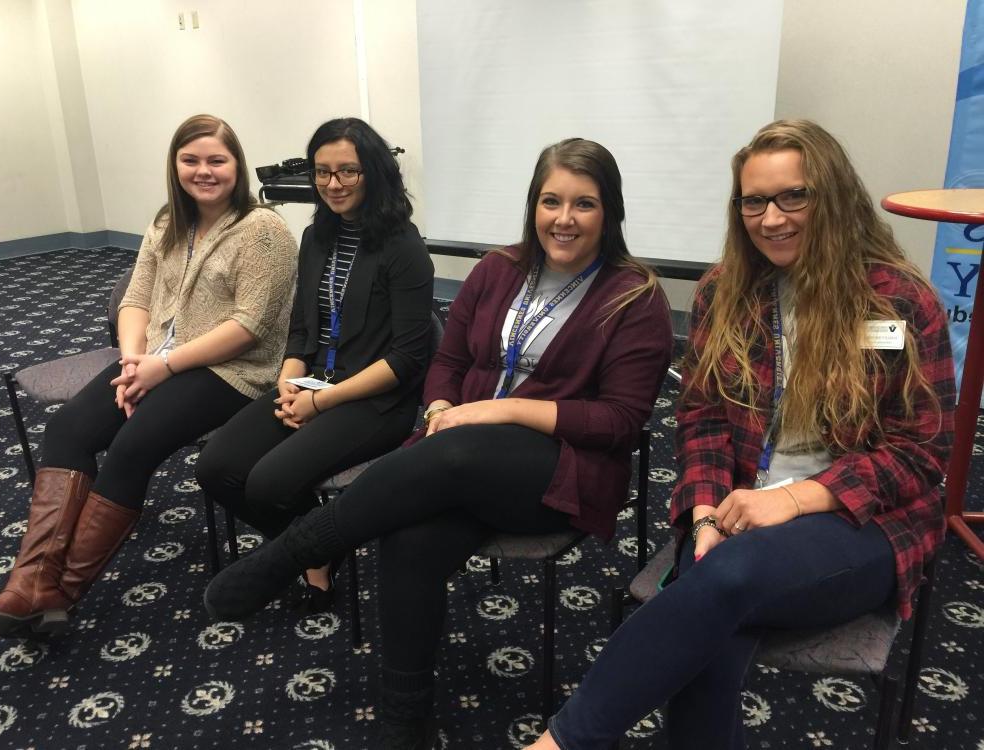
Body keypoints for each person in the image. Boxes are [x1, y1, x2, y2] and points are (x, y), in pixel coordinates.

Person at [202, 137, 673, 748]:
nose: (564, 218)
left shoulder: (635, 297)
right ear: (532, 204)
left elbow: (618, 421)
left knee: (453, 453)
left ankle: (295, 550)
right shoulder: (499, 269)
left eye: (583, 204)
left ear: (609, 212)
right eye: (550, 201)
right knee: (409, 534)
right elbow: (446, 359)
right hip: (453, 453)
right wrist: (445, 405)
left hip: (558, 468)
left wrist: (497, 411)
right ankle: (406, 720)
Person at [527, 119, 956, 750]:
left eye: (793, 197)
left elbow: (921, 453)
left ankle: (562, 741)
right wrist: (703, 516)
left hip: (860, 523)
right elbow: (700, 417)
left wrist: (787, 501)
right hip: (735, 507)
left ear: (832, 195)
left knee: (724, 579)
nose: (772, 219)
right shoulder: (725, 290)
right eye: (754, 201)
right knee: (713, 623)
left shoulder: (897, 301)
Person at [0, 114, 298, 637]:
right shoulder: (166, 222)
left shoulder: (263, 230)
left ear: (236, 166)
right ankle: (31, 583)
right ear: (174, 166)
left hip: (234, 371)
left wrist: (162, 366)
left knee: (132, 446)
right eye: (190, 160)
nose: (204, 171)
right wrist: (133, 362)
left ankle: (62, 592)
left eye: (216, 160)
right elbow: (136, 299)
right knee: (67, 431)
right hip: (153, 361)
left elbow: (250, 326)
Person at [196, 117, 434, 610]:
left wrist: (321, 405)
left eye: (348, 171)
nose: (333, 184)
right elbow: (303, 327)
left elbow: (409, 358)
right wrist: (288, 381)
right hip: (309, 381)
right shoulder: (318, 237)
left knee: (267, 483)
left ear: (375, 173)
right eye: (323, 172)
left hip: (374, 399)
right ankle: (317, 551)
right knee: (215, 467)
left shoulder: (405, 249)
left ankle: (311, 547)